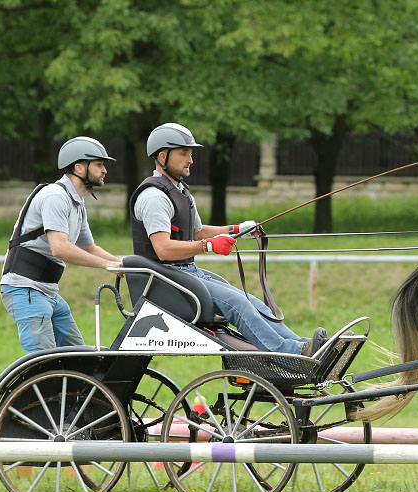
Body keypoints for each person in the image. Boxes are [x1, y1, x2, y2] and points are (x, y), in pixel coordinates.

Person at [129, 122, 326, 356]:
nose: (191, 160)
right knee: (238, 304)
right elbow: (163, 249)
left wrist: (236, 229)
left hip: (185, 273)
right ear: (163, 156)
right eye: (184, 154)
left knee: (251, 300)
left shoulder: (179, 191)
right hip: (166, 281)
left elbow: (198, 232)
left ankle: (303, 346)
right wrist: (208, 246)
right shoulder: (154, 197)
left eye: (191, 154)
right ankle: (293, 354)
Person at [0, 137, 123, 354]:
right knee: (44, 363)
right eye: (99, 164)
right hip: (25, 289)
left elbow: (89, 247)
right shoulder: (55, 196)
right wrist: (106, 265)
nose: (104, 170)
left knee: (78, 358)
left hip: (48, 292)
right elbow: (61, 248)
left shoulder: (76, 203)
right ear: (79, 167)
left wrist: (121, 263)